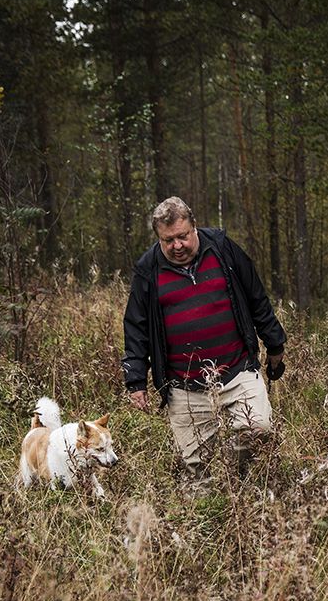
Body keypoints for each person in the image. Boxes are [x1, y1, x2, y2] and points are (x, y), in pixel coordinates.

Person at [122, 196, 286, 484]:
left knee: (259, 428)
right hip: (185, 385)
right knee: (196, 467)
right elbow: (137, 326)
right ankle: (207, 510)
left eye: (182, 236)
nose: (177, 246)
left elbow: (256, 297)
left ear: (194, 227)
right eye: (168, 240)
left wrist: (274, 344)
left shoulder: (222, 248)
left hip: (237, 370)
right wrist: (136, 380)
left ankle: (238, 478)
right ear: (159, 238)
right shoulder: (148, 270)